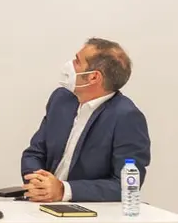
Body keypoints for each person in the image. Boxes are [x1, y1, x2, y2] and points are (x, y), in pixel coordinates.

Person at [21, 38, 151, 203]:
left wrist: (63, 190)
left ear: (93, 77)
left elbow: (125, 186)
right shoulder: (61, 99)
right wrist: (40, 184)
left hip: (87, 215)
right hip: (40, 204)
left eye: (77, 61)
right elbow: (34, 153)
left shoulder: (127, 117)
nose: (70, 65)